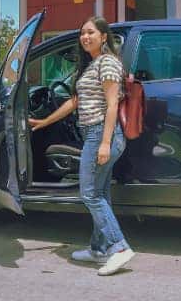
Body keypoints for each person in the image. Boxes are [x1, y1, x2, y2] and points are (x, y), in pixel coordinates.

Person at [28, 16, 135, 276]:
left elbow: (112, 105)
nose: (84, 37)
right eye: (82, 33)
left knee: (89, 194)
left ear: (103, 36)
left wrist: (105, 143)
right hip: (94, 134)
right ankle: (99, 249)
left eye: (90, 32)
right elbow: (74, 102)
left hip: (101, 134)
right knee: (101, 194)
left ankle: (119, 248)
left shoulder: (108, 62)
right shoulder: (91, 65)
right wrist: (44, 121)